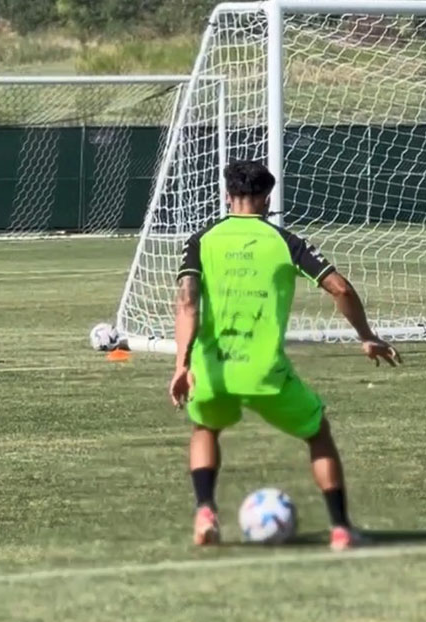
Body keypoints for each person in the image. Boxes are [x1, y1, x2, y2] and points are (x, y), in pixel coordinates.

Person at [170, 159, 400, 550]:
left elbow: (187, 303)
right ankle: (341, 528)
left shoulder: (202, 240)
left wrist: (181, 364)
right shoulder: (285, 241)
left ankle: (206, 509)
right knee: (318, 433)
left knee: (205, 429)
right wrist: (367, 336)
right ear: (266, 199)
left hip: (214, 368)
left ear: (228, 196)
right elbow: (340, 289)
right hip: (266, 371)